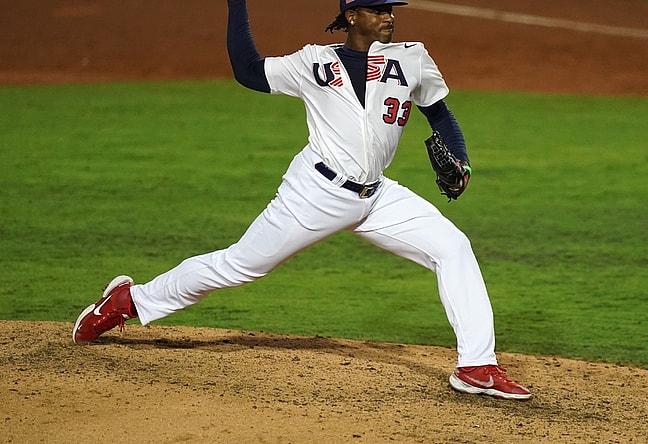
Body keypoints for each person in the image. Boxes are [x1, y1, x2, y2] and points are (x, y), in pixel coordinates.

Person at [72, 0, 532, 401]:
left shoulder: (411, 59)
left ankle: (476, 366)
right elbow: (248, 71)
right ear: (351, 16)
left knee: (452, 247)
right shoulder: (312, 63)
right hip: (315, 193)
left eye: (391, 10)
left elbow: (439, 112)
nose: (389, 17)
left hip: (377, 195)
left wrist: (463, 162)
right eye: (377, 10)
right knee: (238, 266)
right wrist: (237, 4)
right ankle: (127, 301)